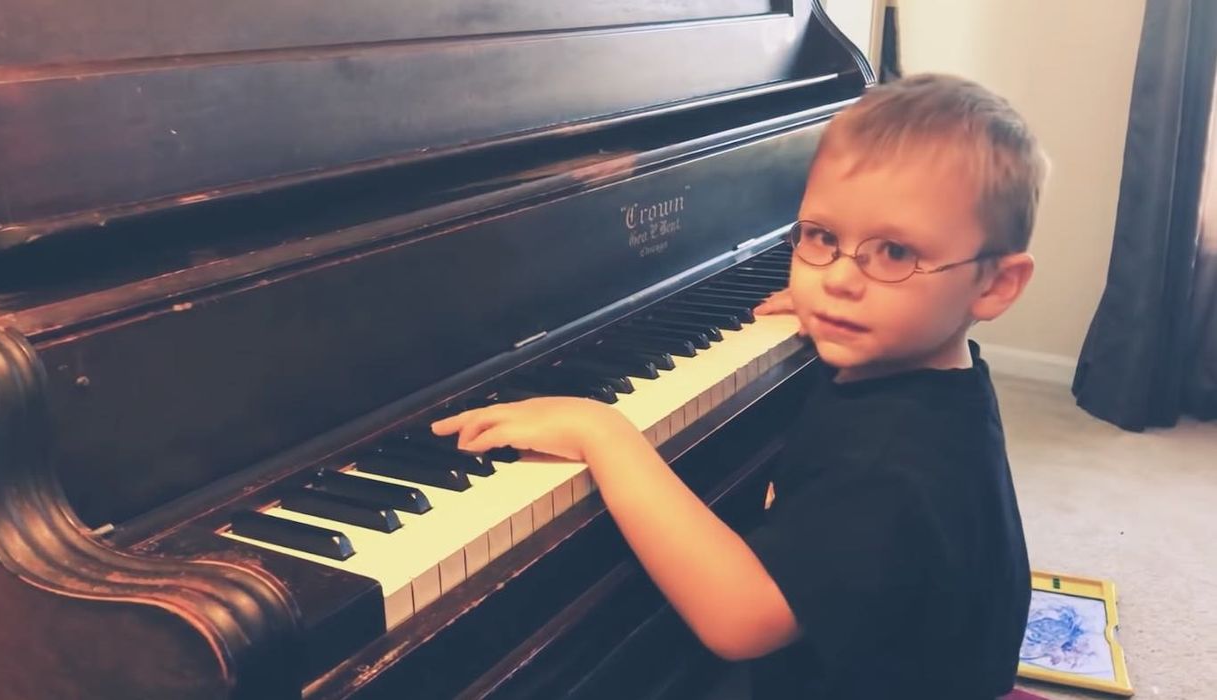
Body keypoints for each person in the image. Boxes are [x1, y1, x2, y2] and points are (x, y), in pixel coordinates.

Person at [433, 73, 1046, 699]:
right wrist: (836, 311)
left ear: (994, 286)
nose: (838, 280)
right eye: (823, 238)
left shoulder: (893, 464)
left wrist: (604, 433)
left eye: (893, 254)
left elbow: (739, 619)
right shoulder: (937, 378)